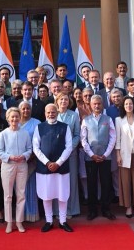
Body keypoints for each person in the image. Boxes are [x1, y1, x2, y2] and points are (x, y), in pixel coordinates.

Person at [33, 104, 73, 233]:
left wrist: (58, 163)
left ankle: (63, 221)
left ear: (57, 113)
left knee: (63, 195)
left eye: (53, 112)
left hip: (61, 167)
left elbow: (69, 147)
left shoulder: (64, 127)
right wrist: (47, 162)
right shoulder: (39, 127)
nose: (51, 114)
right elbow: (36, 148)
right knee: (46, 195)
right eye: (48, 112)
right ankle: (49, 221)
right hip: (44, 168)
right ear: (45, 113)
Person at [0, 107, 32, 233]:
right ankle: (9, 222)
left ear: (20, 118)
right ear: (8, 118)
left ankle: (19, 221)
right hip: (8, 165)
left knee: (21, 194)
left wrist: (24, 156)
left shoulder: (25, 133)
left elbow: (29, 149)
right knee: (8, 195)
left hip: (22, 165)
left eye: (17, 116)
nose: (14, 119)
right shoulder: (4, 133)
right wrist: (10, 157)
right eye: (12, 117)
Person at [81, 95, 116, 221]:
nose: (97, 106)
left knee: (106, 183)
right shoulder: (86, 120)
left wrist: (106, 154)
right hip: (90, 158)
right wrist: (92, 155)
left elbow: (113, 137)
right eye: (94, 104)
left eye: (99, 104)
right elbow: (83, 140)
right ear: (91, 105)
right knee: (91, 184)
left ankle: (106, 209)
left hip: (105, 157)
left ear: (102, 105)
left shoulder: (108, 119)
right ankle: (92, 210)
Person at [54, 92, 81, 217]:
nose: (63, 102)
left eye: (65, 99)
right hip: (55, 155)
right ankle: (56, 211)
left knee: (71, 181)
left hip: (70, 153)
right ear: (57, 101)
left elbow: (77, 135)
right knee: (57, 181)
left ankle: (71, 210)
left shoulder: (74, 115)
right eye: (61, 99)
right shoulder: (53, 113)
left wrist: (69, 148)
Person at [19, 101, 41, 222]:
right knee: (20, 189)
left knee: (31, 188)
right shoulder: (15, 122)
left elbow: (39, 141)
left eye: (28, 108)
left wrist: (31, 156)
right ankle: (20, 216)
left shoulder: (36, 123)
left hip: (32, 160)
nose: (26, 111)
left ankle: (32, 215)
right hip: (18, 162)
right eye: (23, 108)